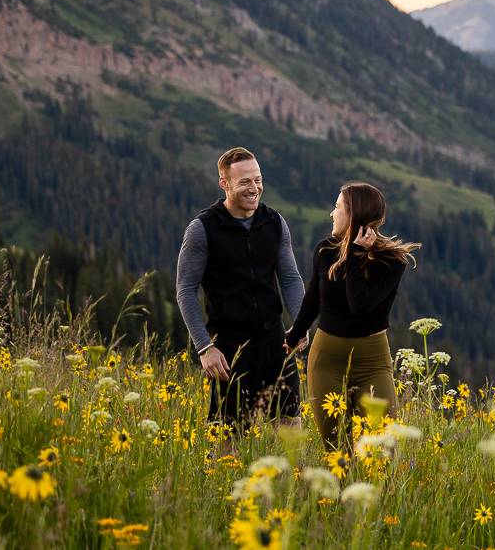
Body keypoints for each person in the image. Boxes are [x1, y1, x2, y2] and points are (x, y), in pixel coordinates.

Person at [175, 147, 309, 427]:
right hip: (229, 351)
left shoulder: (274, 222)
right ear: (224, 183)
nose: (255, 188)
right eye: (245, 181)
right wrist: (204, 348)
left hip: (276, 346)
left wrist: (300, 323)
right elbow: (185, 290)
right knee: (229, 441)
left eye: (258, 180)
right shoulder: (203, 229)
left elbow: (290, 278)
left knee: (291, 436)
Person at [285, 181, 420, 449]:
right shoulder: (325, 250)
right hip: (327, 361)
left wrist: (356, 255)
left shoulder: (391, 261)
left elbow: (360, 305)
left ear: (353, 215)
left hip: (373, 363)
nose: (332, 214)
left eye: (337, 208)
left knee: (379, 451)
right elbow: (313, 297)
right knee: (337, 451)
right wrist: (295, 335)